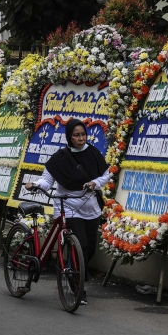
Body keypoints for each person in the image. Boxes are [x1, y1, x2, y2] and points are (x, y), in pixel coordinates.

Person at [25, 119, 110, 306]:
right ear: (69, 137)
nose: (81, 139)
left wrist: (95, 183)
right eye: (76, 135)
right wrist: (35, 185)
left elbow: (105, 175)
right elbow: (47, 181)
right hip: (68, 206)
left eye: (83, 135)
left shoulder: (93, 152)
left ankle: (74, 274)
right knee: (80, 244)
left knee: (89, 249)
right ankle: (76, 285)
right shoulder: (59, 158)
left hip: (90, 206)